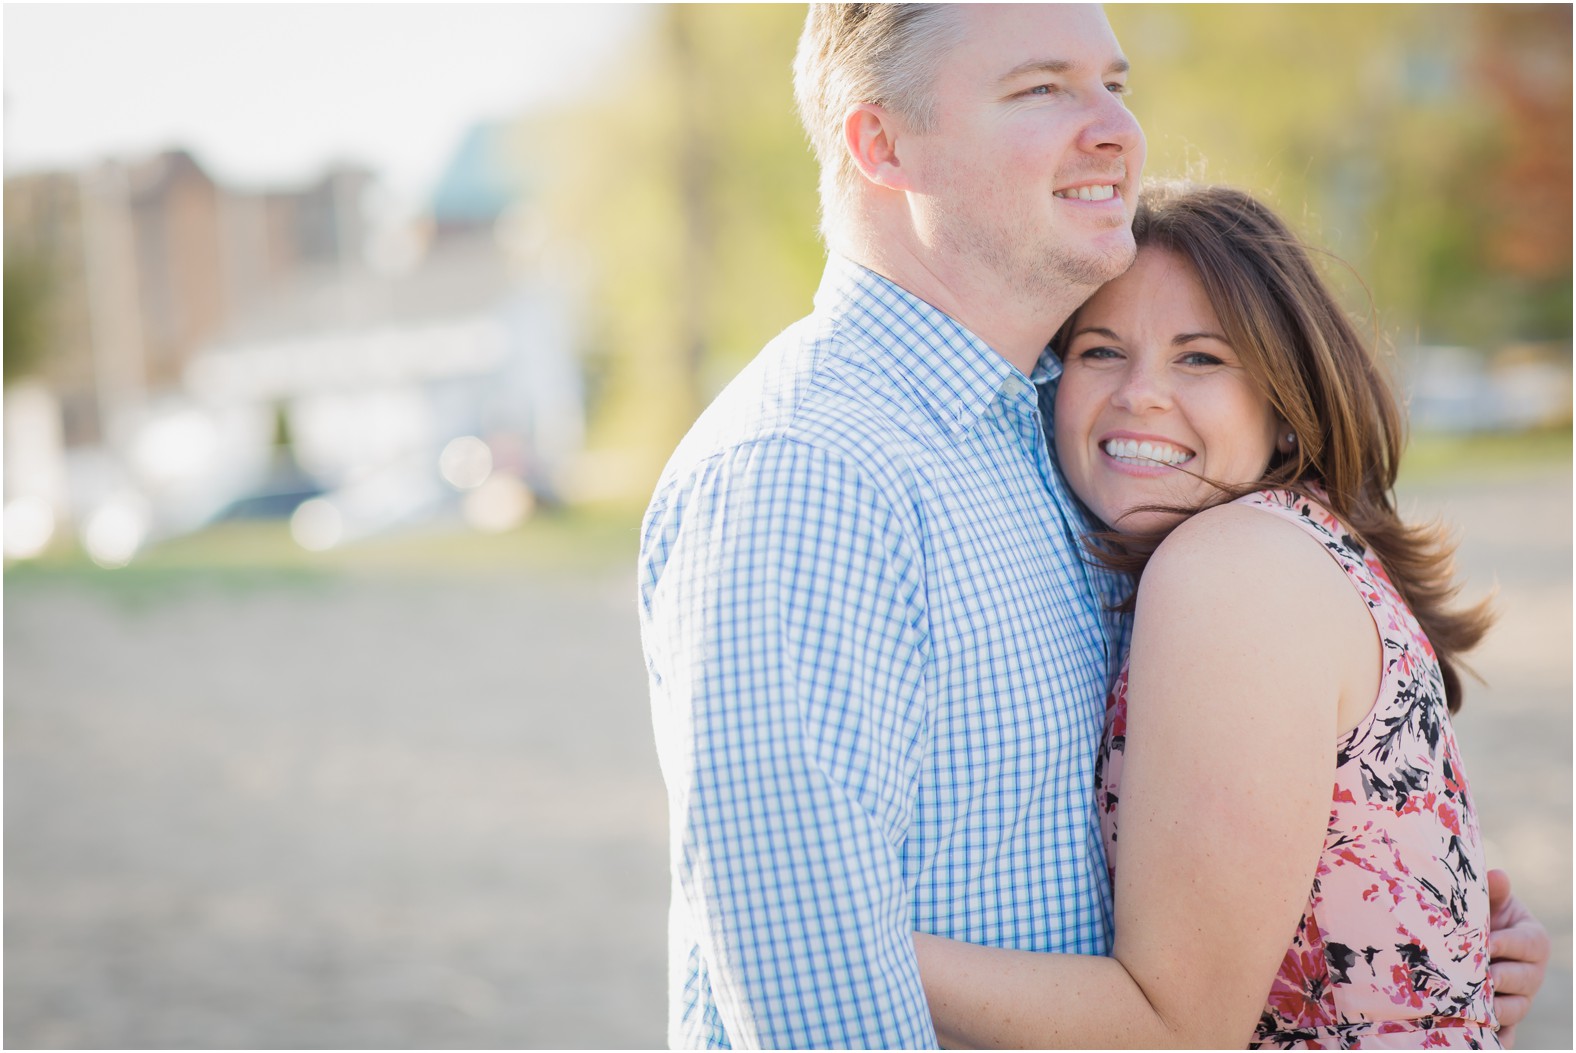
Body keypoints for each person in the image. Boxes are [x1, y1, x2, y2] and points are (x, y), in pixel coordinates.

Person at [638, 5, 1549, 1048]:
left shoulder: (1057, 442)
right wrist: (819, 931)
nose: (1116, 127)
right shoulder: (810, 474)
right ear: (880, 142)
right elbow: (807, 988)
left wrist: (1407, 932)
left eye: (1113, 84)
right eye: (1041, 88)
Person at [911, 182, 1536, 1048]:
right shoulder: (1304, 542)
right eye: (1099, 351)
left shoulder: (1230, 569)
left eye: (1199, 358)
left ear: (1285, 406)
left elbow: (1177, 1031)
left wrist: (845, 939)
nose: (1141, 394)